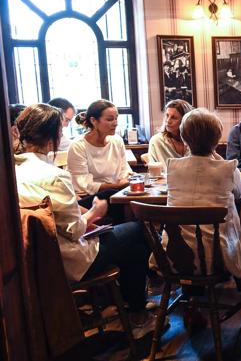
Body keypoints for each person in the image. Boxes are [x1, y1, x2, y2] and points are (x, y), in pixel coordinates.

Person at [13, 103, 156, 338]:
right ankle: (138, 312)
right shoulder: (54, 176)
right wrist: (95, 212)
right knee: (137, 232)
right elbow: (75, 230)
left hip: (34, 258)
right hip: (69, 260)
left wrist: (83, 213)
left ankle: (123, 301)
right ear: (54, 135)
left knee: (126, 234)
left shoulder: (13, 171)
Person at [166, 108, 241, 328]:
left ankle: (191, 302)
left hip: (176, 254)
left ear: (185, 138)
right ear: (217, 140)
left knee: (190, 242)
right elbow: (239, 192)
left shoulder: (172, 167)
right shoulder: (226, 168)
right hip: (219, 255)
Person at [67, 99, 132, 222]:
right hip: (88, 198)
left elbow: (124, 170)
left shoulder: (117, 141)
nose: (115, 123)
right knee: (113, 196)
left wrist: (128, 178)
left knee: (132, 199)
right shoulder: (78, 145)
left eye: (116, 118)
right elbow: (84, 185)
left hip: (116, 193)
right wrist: (118, 185)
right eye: (109, 119)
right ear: (93, 121)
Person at [148, 99, 194, 164]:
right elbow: (153, 168)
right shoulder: (157, 141)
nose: (168, 121)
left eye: (174, 118)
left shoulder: (194, 142)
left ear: (185, 121)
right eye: (167, 116)